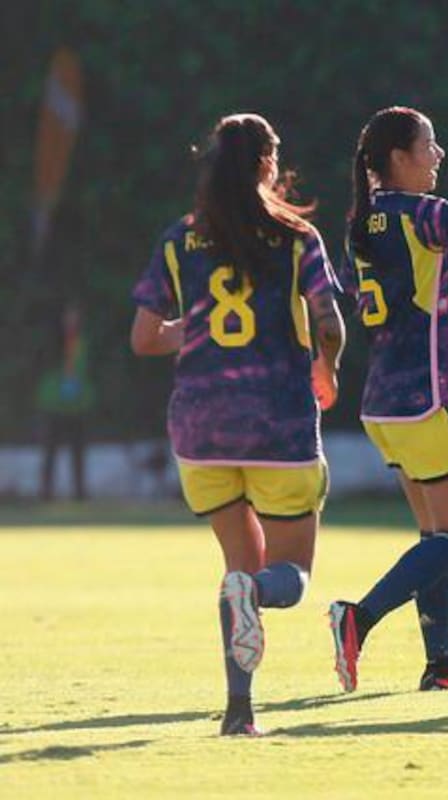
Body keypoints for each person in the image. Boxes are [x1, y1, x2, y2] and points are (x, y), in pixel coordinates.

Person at [130, 113, 344, 735]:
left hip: (199, 430)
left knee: (237, 572)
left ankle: (239, 712)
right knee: (289, 576)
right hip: (277, 422)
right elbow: (328, 319)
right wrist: (328, 366)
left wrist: (187, 331)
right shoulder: (296, 235)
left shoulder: (178, 239)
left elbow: (144, 337)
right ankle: (253, 610)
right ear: (268, 166)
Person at [329, 107, 448, 693]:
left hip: (384, 406)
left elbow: (354, 285)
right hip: (434, 396)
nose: (438, 156)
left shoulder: (362, 221)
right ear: (398, 158)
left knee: (434, 538)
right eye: (429, 145)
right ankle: (357, 619)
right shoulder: (419, 214)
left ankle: (439, 666)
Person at [36, 302, 94, 501]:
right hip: (53, 405)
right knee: (50, 452)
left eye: (75, 317)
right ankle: (45, 493)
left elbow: (84, 372)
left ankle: (80, 494)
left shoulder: (82, 343)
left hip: (77, 407)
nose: (72, 321)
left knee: (78, 453)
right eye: (69, 317)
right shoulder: (51, 344)